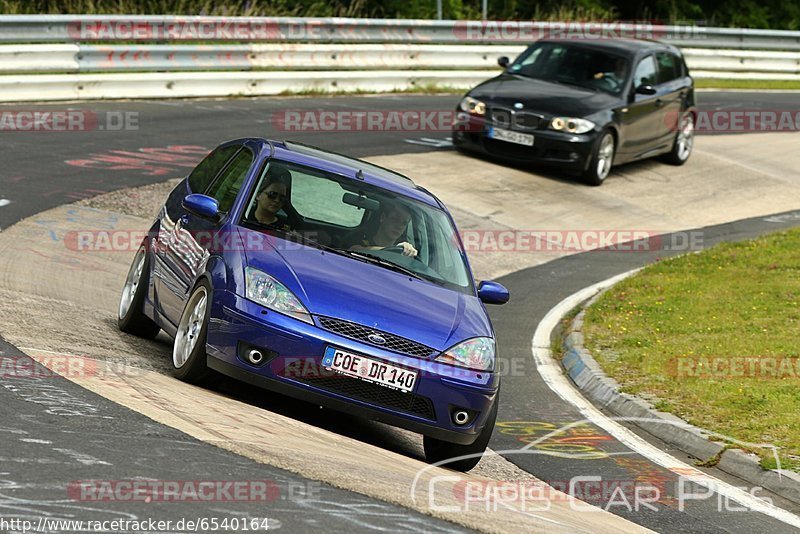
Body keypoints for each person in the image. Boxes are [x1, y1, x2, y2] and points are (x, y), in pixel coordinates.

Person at [350, 202, 417, 257]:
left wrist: (408, 251)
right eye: (395, 219)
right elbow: (354, 251)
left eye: (404, 223)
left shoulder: (402, 252)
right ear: (383, 218)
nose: (399, 226)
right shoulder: (359, 238)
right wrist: (393, 251)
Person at [252, 164, 291, 229]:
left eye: (282, 198)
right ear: (258, 195)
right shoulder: (241, 217)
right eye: (272, 195)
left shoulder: (284, 229)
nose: (277, 200)